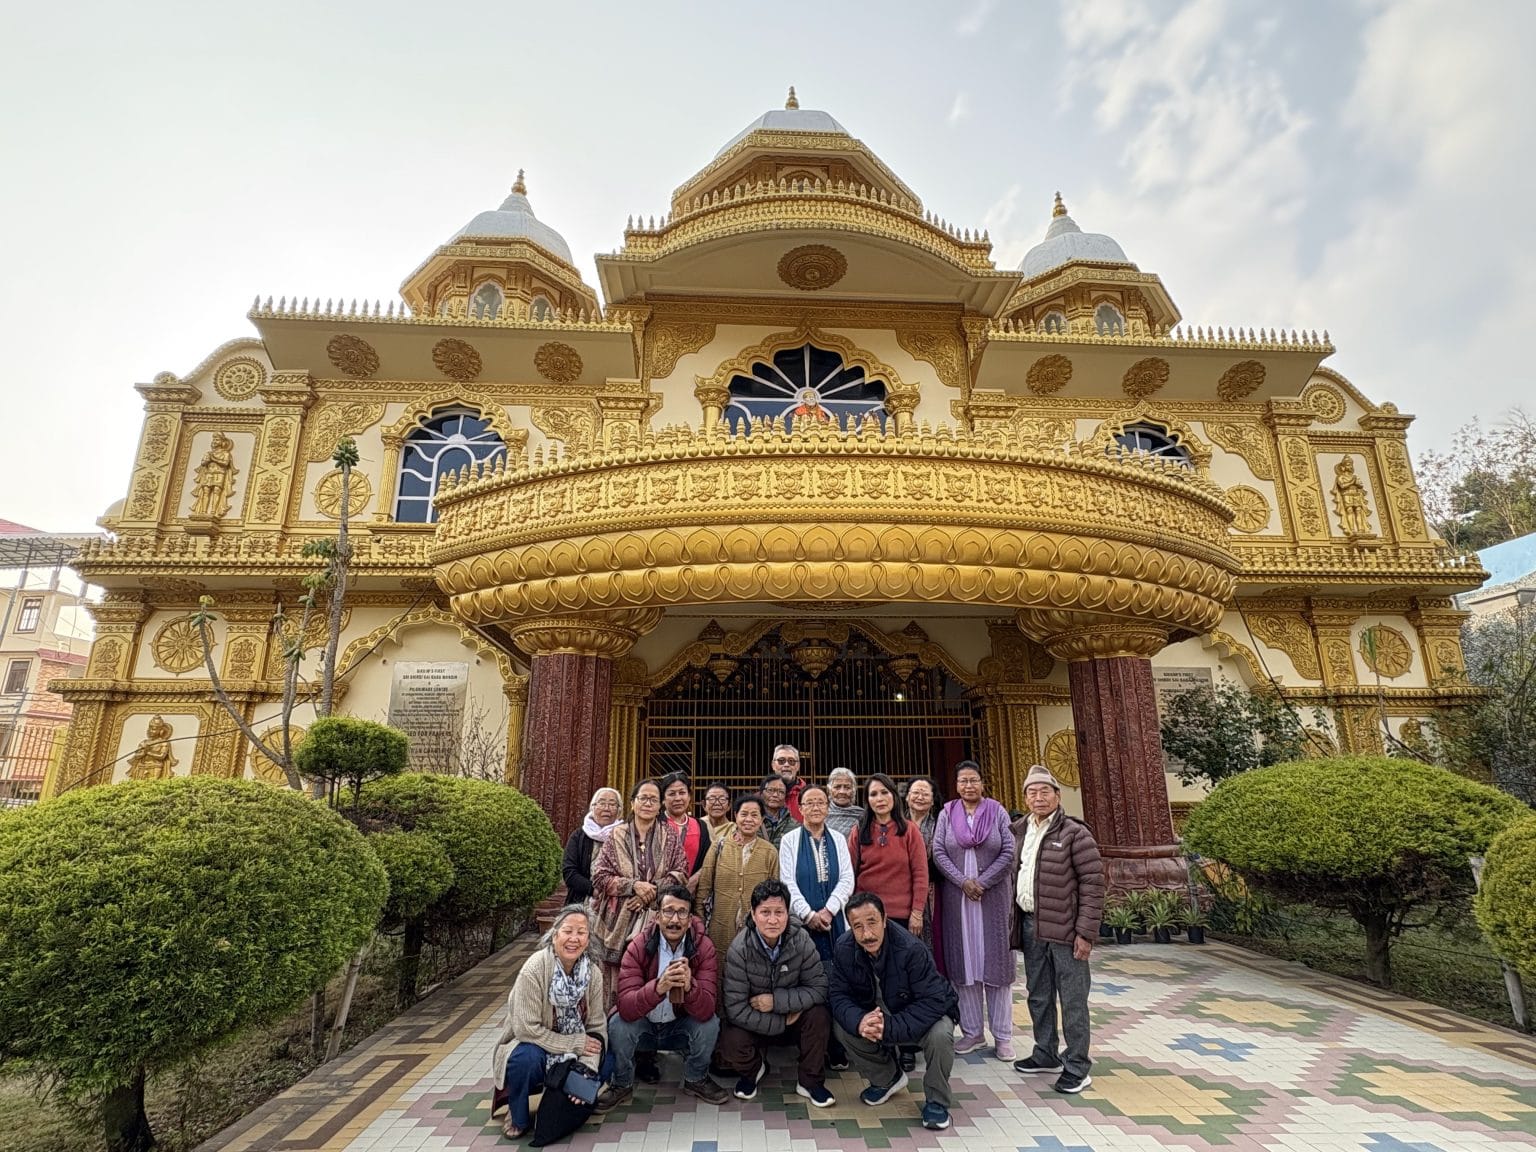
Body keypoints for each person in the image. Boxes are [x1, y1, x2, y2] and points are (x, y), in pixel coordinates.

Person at [829, 892, 959, 1132]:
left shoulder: (912, 949)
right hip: (878, 1016)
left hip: (918, 1016)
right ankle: (888, 1078)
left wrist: (889, 1028)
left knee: (941, 1034)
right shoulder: (844, 947)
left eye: (872, 923)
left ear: (885, 919)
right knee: (842, 1026)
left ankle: (937, 1101)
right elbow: (838, 995)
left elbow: (933, 1001)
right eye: (858, 926)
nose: (867, 934)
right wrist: (860, 1021)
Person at [1010, 765, 1104, 1095]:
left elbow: (1093, 884)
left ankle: (1077, 1065)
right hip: (1031, 924)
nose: (1038, 797)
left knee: (1073, 998)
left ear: (1057, 795)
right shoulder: (1019, 830)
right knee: (1038, 993)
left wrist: (1086, 933)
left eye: (1044, 791)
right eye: (1032, 792)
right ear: (1025, 798)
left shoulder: (1075, 833)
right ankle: (1045, 1052)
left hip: (1065, 929)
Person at [599, 886, 731, 1109]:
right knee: (618, 1024)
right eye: (668, 911)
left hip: (679, 1027)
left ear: (690, 919)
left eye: (682, 912)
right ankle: (621, 1083)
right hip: (645, 1026)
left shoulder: (704, 947)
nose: (674, 920)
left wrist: (690, 987)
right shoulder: (638, 945)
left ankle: (696, 1078)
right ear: (658, 916)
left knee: (710, 1024)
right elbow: (626, 1006)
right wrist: (659, 988)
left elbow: (707, 1007)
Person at [490, 905, 613, 1140]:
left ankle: (567, 1098)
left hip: (573, 1050)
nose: (574, 939)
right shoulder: (535, 969)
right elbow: (525, 1029)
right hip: (533, 1043)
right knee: (525, 1059)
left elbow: (596, 1027)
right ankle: (517, 1113)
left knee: (608, 1059)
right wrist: (574, 1044)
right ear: (554, 935)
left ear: (588, 940)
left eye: (581, 932)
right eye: (567, 931)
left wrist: (585, 1070)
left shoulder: (593, 974)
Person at [720, 878, 835, 1107]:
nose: (772, 920)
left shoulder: (801, 940)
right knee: (729, 1038)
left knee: (819, 1015)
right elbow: (735, 1009)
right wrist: (780, 1021)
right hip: (758, 1023)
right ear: (753, 914)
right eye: (765, 912)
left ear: (787, 914)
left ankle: (810, 1081)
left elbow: (819, 987)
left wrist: (777, 1002)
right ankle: (753, 1070)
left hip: (794, 1017)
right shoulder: (739, 949)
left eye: (779, 912)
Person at [931, 760, 1017, 1060]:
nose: (969, 786)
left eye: (973, 780)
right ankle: (972, 1032)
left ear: (982, 783)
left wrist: (982, 881)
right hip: (958, 900)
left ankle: (1003, 1036)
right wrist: (962, 882)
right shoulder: (947, 813)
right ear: (956, 786)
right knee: (964, 967)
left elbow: (1009, 850)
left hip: (992, 899)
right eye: (963, 781)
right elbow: (938, 851)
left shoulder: (997, 811)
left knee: (997, 967)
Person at [590, 778, 689, 1009]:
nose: (648, 803)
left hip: (658, 916)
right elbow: (599, 876)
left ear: (660, 805)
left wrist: (649, 892)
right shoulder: (616, 835)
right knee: (615, 976)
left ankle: (651, 1019)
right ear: (633, 803)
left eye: (653, 799)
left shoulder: (669, 835)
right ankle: (615, 1018)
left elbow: (681, 872)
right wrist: (633, 886)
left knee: (651, 972)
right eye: (643, 798)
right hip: (617, 920)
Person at [778, 783, 854, 1071]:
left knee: (837, 982)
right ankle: (809, 1047)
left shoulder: (838, 839)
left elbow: (847, 879)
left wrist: (829, 910)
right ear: (800, 808)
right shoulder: (789, 840)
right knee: (806, 983)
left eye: (821, 802)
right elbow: (787, 881)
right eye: (809, 802)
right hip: (802, 924)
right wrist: (809, 915)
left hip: (835, 923)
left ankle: (837, 1045)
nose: (815, 807)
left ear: (828, 807)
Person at [695, 793, 781, 965]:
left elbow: (774, 895)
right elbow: (704, 887)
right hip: (720, 927)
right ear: (735, 816)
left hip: (756, 929)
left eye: (754, 815)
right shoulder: (719, 846)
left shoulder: (770, 852)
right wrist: (700, 922)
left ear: (762, 820)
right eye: (744, 814)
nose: (749, 819)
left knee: (753, 969)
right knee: (720, 969)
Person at [848, 773, 929, 940]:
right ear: (867, 801)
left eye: (885, 792)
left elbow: (920, 874)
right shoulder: (858, 831)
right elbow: (849, 874)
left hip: (902, 915)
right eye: (873, 794)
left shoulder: (910, 830)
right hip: (866, 914)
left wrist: (917, 913)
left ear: (894, 795)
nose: (880, 799)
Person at [901, 776, 944, 960]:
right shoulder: (896, 824)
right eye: (916, 793)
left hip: (932, 891)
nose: (919, 797)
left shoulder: (940, 826)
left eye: (925, 794)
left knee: (932, 940)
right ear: (907, 797)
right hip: (900, 891)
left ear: (933, 800)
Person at [563, 787, 620, 903]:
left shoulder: (624, 836)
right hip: (582, 900)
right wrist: (593, 890)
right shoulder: (578, 836)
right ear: (592, 808)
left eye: (612, 804)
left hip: (617, 901)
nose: (606, 808)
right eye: (602, 803)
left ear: (619, 810)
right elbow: (569, 872)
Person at [660, 771, 713, 877]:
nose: (678, 798)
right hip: (658, 886)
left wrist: (694, 881)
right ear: (663, 799)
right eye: (671, 794)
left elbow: (708, 861)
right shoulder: (655, 823)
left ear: (689, 796)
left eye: (682, 793)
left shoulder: (700, 826)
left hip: (692, 886)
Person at [757, 773, 799, 846]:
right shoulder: (752, 821)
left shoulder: (794, 826)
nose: (775, 795)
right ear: (761, 793)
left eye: (781, 792)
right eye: (770, 790)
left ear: (785, 797)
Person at [770, 744, 807, 821]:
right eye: (781, 761)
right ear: (773, 765)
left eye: (791, 761)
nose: (786, 764)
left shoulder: (808, 796)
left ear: (798, 766)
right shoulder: (761, 797)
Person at [824, 767, 863, 838]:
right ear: (829, 790)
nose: (842, 791)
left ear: (853, 790)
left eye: (847, 787)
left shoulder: (862, 815)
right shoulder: (822, 813)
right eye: (837, 787)